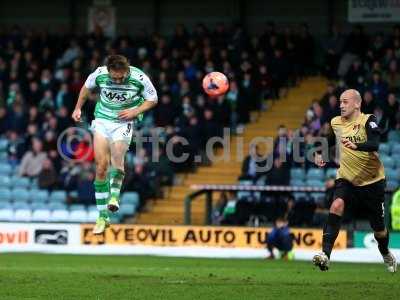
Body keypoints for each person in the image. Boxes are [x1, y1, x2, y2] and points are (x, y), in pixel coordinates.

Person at [71, 54, 158, 234]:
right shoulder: (100, 74)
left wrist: (136, 110)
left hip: (123, 123)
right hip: (102, 120)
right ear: (108, 70)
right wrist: (78, 107)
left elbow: (153, 98)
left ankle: (114, 198)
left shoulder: (139, 78)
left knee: (117, 158)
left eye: (121, 77)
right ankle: (103, 217)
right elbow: (86, 89)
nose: (117, 80)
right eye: (114, 77)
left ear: (127, 70)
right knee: (101, 167)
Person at [312, 89, 397, 272]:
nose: (341, 105)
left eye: (345, 102)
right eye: (340, 102)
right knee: (336, 206)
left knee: (379, 229)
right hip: (347, 179)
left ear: (357, 104)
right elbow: (329, 141)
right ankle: (325, 254)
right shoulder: (336, 122)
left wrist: (356, 145)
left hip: (372, 182)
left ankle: (385, 252)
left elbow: (375, 143)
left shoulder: (368, 120)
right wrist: (321, 154)